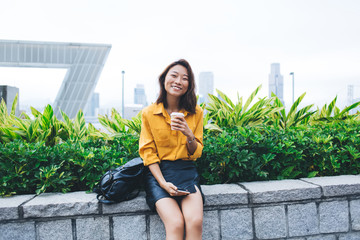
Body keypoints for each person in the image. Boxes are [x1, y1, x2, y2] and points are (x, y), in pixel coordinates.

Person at [139, 59, 204, 240]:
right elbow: (148, 152)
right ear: (164, 79)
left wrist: (188, 134)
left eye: (184, 78)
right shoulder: (149, 113)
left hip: (186, 171)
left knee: (195, 222)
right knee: (175, 223)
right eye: (174, 75)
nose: (178, 81)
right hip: (159, 173)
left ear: (189, 85)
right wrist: (163, 183)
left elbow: (196, 151)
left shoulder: (196, 112)